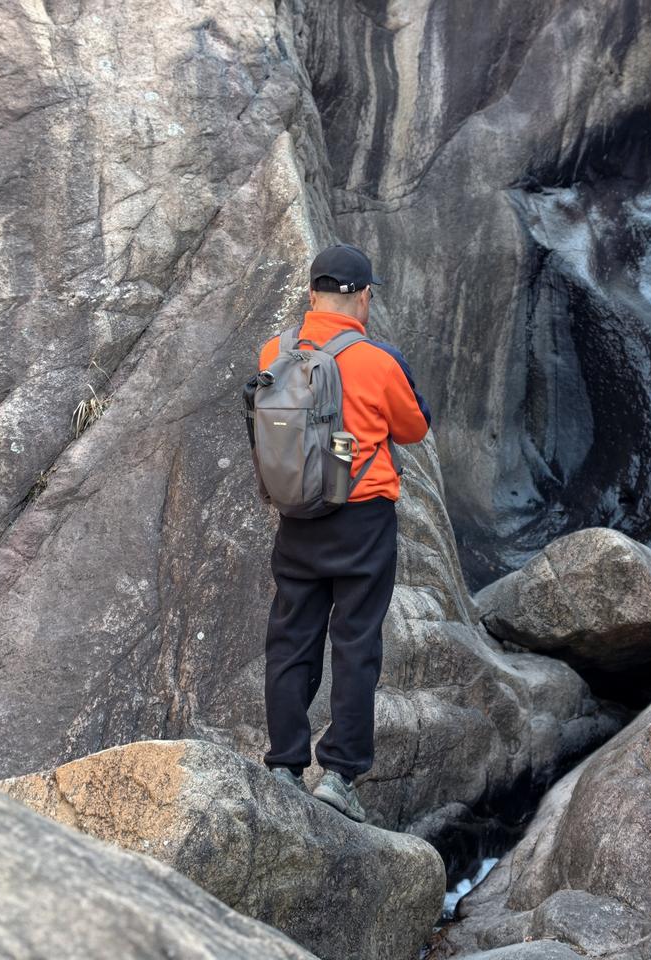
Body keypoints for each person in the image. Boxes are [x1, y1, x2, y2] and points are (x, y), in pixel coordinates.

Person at [256, 243, 431, 822]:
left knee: (290, 638)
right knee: (356, 644)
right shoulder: (379, 361)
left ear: (312, 294)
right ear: (364, 297)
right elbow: (413, 428)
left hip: (297, 518)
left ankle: (284, 764)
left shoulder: (274, 352)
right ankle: (339, 775)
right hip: (362, 522)